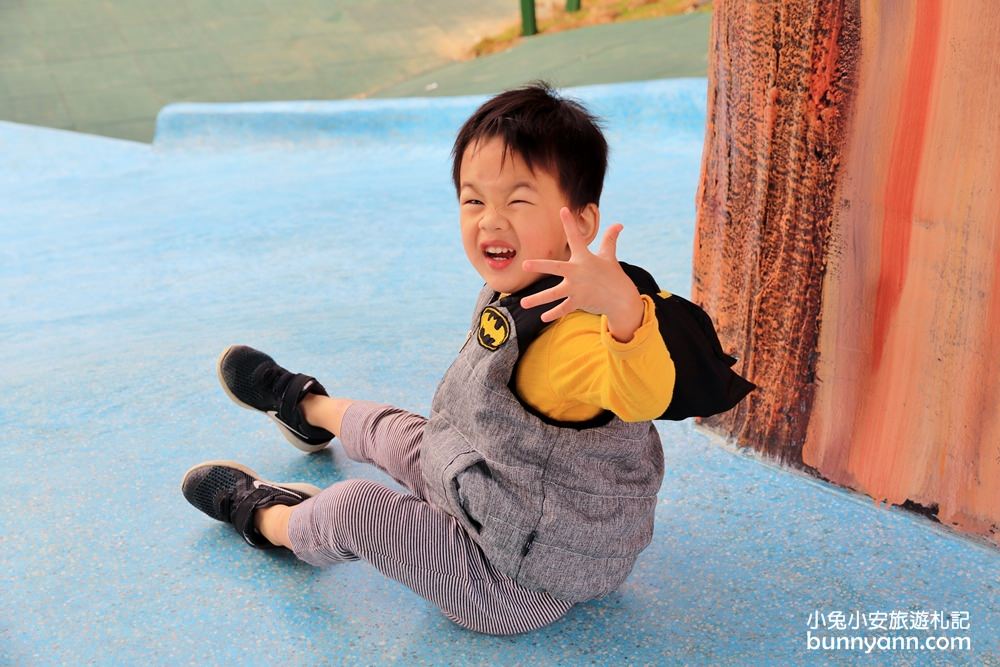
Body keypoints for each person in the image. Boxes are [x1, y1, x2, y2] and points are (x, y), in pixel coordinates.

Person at [181, 82, 755, 636]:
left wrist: (626, 317)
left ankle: (268, 517)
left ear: (579, 221)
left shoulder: (578, 336)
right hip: (499, 493)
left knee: (358, 509)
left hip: (515, 581)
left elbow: (641, 395)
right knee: (409, 433)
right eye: (473, 199)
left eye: (518, 200)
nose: (490, 219)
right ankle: (306, 408)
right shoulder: (521, 284)